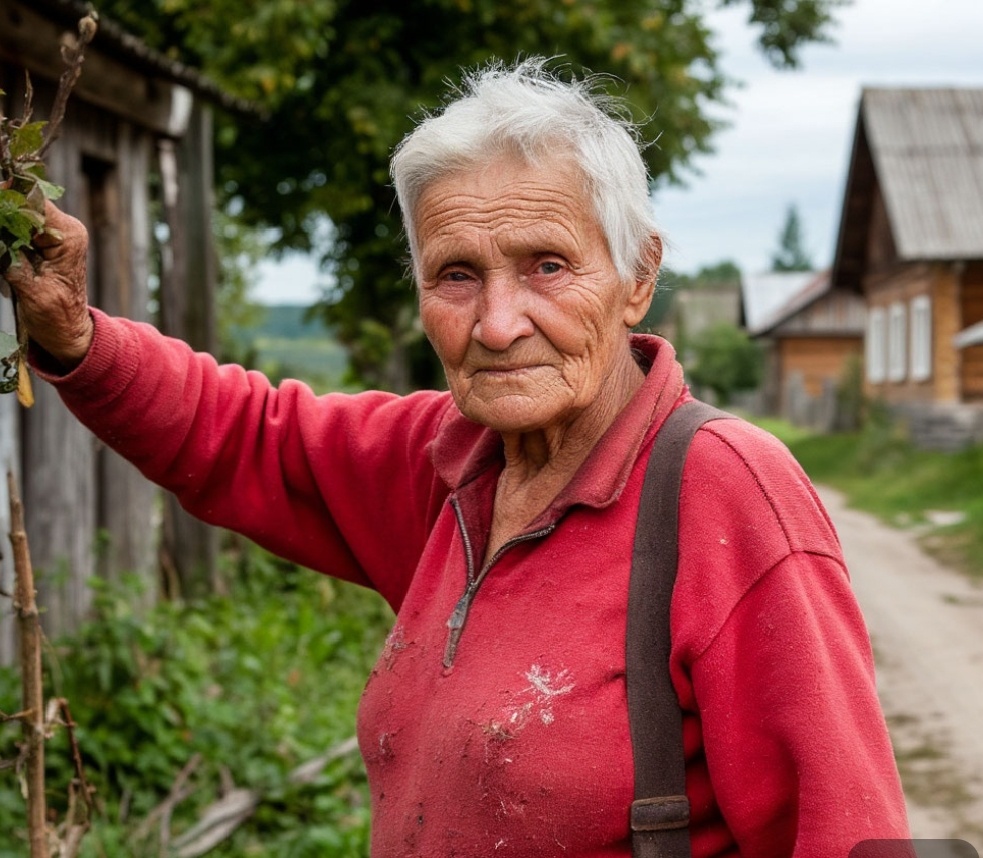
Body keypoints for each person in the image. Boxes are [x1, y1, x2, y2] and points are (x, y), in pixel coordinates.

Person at [5, 58, 911, 856]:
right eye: (457, 274)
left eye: (547, 265)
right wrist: (77, 336)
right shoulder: (447, 463)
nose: (499, 323)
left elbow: (840, 831)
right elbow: (245, 436)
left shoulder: (723, 493)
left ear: (637, 276)